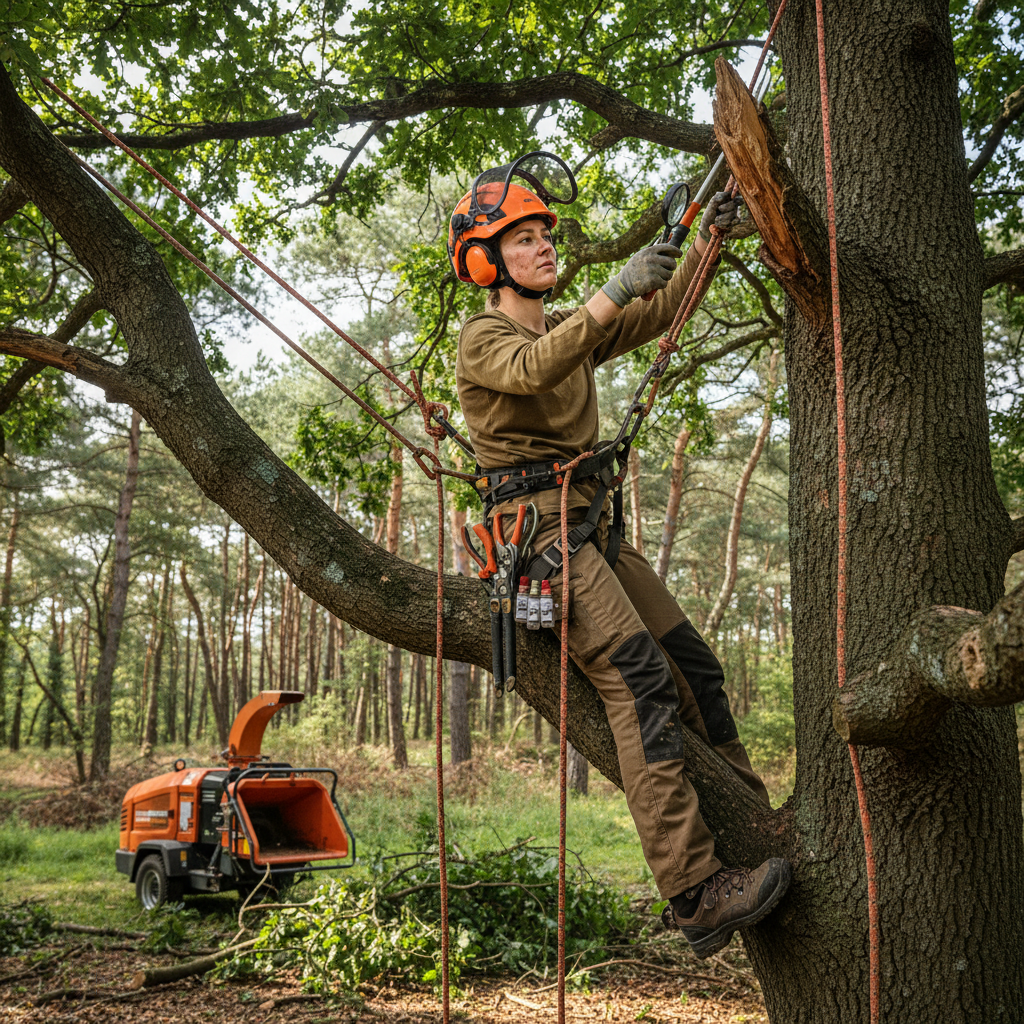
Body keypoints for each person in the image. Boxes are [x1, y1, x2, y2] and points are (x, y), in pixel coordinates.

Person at [449, 153, 791, 959]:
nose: (542, 248)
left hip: (594, 527)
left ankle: (756, 819)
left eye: (543, 236)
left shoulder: (570, 328)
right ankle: (694, 890)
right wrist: (616, 289)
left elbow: (654, 311)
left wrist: (706, 243)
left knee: (694, 667)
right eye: (522, 239)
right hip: (541, 540)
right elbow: (541, 364)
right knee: (638, 678)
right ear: (487, 262)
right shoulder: (484, 337)